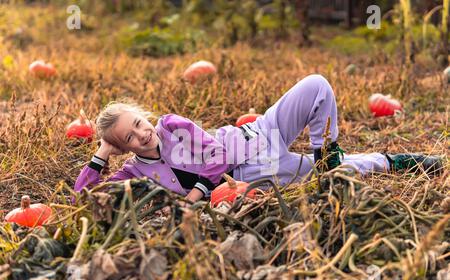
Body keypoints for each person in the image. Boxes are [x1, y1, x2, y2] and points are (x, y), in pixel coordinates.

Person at [74, 74, 443, 203]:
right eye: (129, 138)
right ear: (123, 148)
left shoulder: (171, 125)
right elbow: (83, 196)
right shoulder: (137, 173)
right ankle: (394, 162)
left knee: (316, 85)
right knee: (342, 173)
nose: (142, 133)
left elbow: (216, 154)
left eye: (138, 122)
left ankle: (327, 152)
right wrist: (102, 153)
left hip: (258, 131)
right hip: (256, 172)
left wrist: (196, 194)